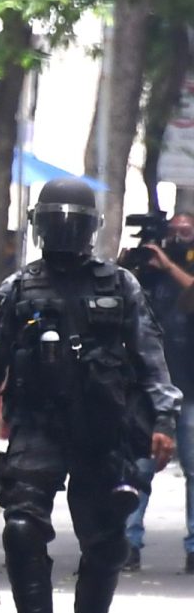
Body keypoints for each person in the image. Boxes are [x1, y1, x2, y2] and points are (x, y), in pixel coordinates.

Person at [0, 177, 181, 613]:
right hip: (38, 425)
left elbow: (149, 358)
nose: (63, 232)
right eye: (55, 222)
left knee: (108, 539)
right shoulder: (20, 288)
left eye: (72, 224)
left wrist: (163, 419)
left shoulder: (120, 285)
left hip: (102, 429)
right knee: (21, 528)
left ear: (90, 230)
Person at [120, 212, 194, 573]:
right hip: (149, 390)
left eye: (187, 227)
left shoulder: (181, 270)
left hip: (190, 386)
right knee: (139, 469)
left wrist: (168, 266)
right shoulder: (144, 270)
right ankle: (128, 543)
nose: (180, 233)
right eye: (174, 228)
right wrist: (127, 266)